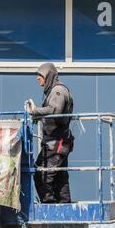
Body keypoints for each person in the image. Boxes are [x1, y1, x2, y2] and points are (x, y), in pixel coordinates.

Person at [27, 62, 74, 203]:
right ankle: (64, 206)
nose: (37, 78)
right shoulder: (52, 91)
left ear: (49, 76)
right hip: (56, 141)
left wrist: (34, 112)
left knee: (43, 175)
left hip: (57, 142)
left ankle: (50, 206)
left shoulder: (58, 91)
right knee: (59, 176)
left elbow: (55, 110)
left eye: (40, 75)